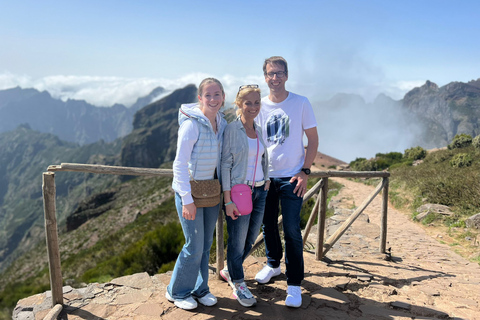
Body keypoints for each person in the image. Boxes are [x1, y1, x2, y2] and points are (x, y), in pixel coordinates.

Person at [254, 56, 319, 308]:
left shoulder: (301, 103)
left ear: (287, 75)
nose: (275, 78)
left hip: (293, 177)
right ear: (265, 77)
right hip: (265, 177)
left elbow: (312, 140)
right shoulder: (260, 107)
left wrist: (304, 171)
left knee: (292, 231)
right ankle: (273, 265)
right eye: (270, 74)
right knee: (267, 226)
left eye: (279, 73)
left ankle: (294, 284)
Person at [166, 78, 227, 310]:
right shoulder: (191, 125)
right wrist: (187, 200)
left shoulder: (221, 122)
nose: (213, 99)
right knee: (193, 245)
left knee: (205, 244)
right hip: (190, 193)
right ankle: (178, 291)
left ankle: (201, 289)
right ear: (200, 98)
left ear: (223, 96)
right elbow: (179, 164)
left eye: (217, 94)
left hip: (210, 191)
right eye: (208, 95)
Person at [220, 85, 270, 307]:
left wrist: (266, 178)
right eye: (248, 102)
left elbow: (261, 158)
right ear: (239, 104)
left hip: (260, 190)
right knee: (237, 240)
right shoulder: (232, 129)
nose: (253, 106)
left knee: (250, 239)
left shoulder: (258, 130)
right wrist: (227, 199)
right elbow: (225, 164)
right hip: (240, 193)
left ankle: (230, 269)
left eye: (257, 102)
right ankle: (238, 283)